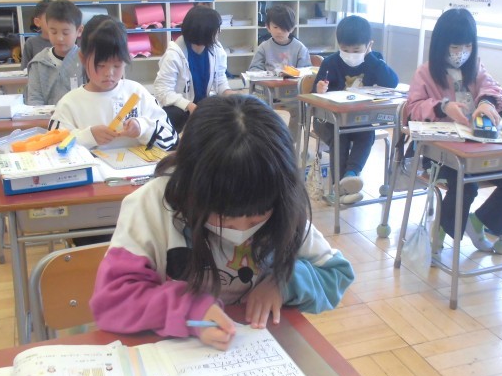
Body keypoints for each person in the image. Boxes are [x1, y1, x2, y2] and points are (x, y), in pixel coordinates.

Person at [90, 94, 354, 350]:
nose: (241, 228)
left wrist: (284, 283)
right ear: (191, 189)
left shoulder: (280, 202)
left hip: (257, 350)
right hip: (176, 353)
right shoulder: (152, 205)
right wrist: (190, 309)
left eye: (257, 215)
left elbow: (336, 275)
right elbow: (112, 302)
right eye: (224, 217)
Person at [406, 7, 502, 254]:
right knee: (466, 184)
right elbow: (413, 108)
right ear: (441, 45)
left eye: (467, 46)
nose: (461, 52)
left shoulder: (476, 67)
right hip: (439, 154)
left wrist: (486, 103)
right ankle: (439, 233)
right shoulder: (425, 73)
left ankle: (478, 223)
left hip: (478, 150)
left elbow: (493, 89)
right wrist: (443, 106)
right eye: (455, 47)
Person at [49, 15, 177, 151]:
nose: (109, 73)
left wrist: (143, 128)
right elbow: (52, 148)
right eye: (101, 65)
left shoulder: (137, 93)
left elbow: (171, 139)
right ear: (82, 58)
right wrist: (87, 136)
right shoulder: (69, 104)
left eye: (117, 65)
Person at [313, 15, 399, 204]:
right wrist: (319, 89)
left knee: (367, 133)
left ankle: (351, 176)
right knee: (340, 137)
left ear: (369, 45)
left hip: (359, 120)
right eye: (345, 50)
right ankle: (339, 188)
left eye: (357, 50)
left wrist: (371, 57)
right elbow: (313, 96)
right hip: (328, 121)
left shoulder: (374, 61)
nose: (350, 54)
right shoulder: (330, 63)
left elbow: (392, 82)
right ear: (339, 45)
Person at [153, 5, 235, 133]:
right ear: (204, 32)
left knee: (229, 111)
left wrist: (230, 93)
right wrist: (189, 106)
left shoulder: (216, 50)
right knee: (175, 115)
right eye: (217, 29)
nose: (219, 32)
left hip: (201, 106)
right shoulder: (173, 55)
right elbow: (162, 91)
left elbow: (220, 80)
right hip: (181, 108)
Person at [26, 0, 85, 105]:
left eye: (65, 33)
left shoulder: (86, 60)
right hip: (47, 115)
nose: (59, 38)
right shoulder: (39, 63)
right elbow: (34, 100)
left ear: (79, 31)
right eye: (53, 32)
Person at [248, 4, 311, 72]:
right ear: (268, 27)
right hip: (269, 79)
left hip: (293, 79)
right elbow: (253, 69)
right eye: (275, 27)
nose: (279, 32)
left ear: (292, 28)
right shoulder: (263, 47)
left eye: (283, 28)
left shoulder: (300, 48)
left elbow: (305, 72)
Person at [21, 0, 52, 70]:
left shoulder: (64, 41)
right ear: (37, 22)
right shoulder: (31, 42)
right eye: (49, 19)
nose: (54, 23)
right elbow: (25, 70)